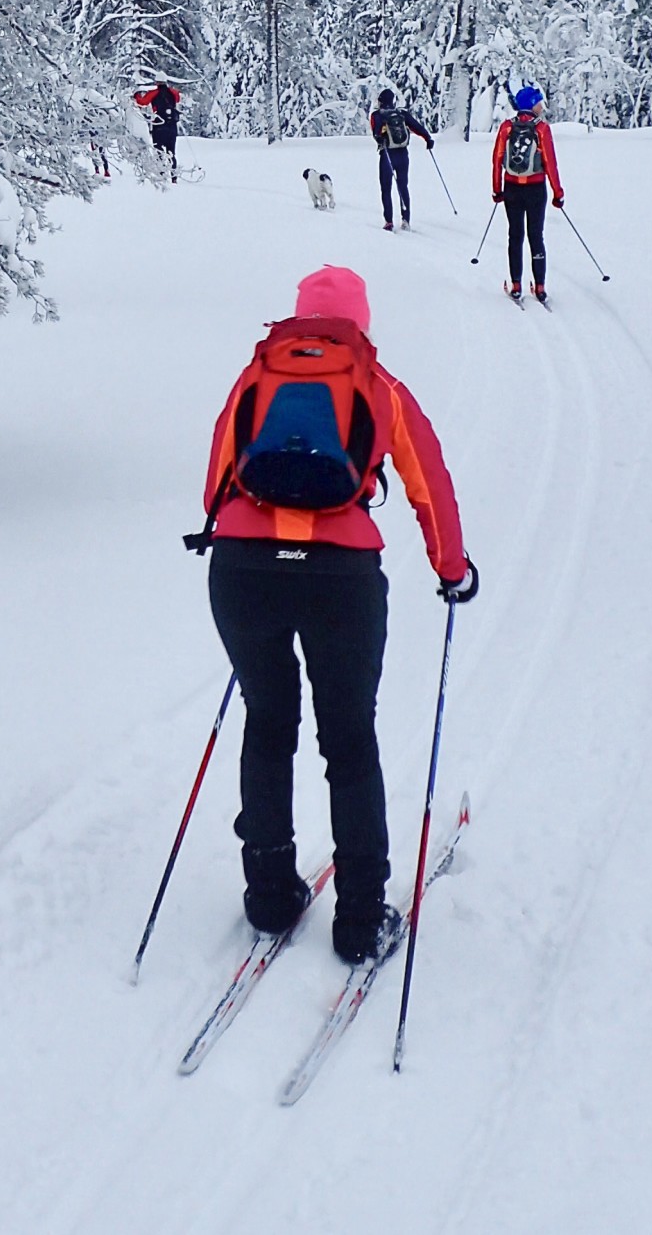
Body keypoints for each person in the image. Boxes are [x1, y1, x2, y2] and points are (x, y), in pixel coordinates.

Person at [192, 265, 476, 962]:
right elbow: (428, 482)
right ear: (360, 322)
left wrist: (238, 532)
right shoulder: (379, 385)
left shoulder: (255, 376)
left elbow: (216, 474)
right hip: (340, 578)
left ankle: (268, 894)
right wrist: (451, 569)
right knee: (349, 741)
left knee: (267, 721)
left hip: (243, 570)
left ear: (295, 318)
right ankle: (358, 921)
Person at [491, 83, 563, 302]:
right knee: (536, 236)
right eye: (538, 102)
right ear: (532, 105)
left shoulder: (506, 127)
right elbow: (550, 163)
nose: (541, 105)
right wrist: (557, 192)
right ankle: (540, 287)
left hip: (512, 188)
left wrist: (497, 190)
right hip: (536, 189)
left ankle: (515, 285)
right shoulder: (541, 128)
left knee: (515, 236)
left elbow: (497, 160)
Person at [368, 86, 433, 229]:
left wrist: (381, 137)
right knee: (403, 186)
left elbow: (376, 133)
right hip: (403, 154)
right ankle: (406, 220)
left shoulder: (376, 116)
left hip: (387, 154)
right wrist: (427, 139)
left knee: (386, 188)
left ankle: (389, 221)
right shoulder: (402, 114)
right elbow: (417, 127)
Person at [133, 78, 182, 181]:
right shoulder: (173, 92)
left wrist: (136, 95)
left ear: (157, 83)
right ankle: (174, 177)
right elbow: (178, 99)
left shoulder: (154, 93)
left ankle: (162, 174)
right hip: (172, 126)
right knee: (171, 152)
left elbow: (142, 102)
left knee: (159, 151)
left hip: (159, 125)